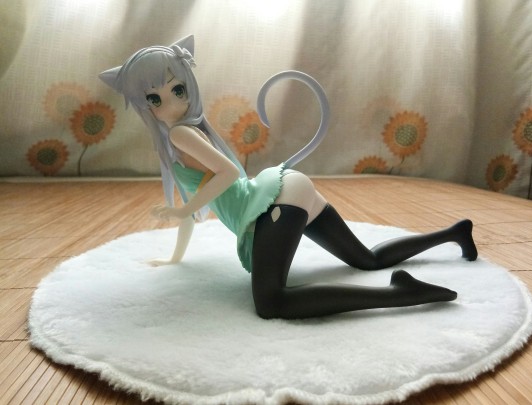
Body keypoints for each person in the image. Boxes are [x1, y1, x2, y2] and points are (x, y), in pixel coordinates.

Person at [100, 35, 477, 320]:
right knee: (366, 258)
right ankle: (454, 233)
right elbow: (193, 197)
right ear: (144, 105)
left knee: (271, 302)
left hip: (272, 204)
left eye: (177, 89)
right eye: (154, 99)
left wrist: (184, 212)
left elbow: (226, 174)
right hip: (284, 192)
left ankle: (399, 294)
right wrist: (175, 253)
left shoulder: (181, 134)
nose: (169, 102)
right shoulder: (186, 132)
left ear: (188, 87)